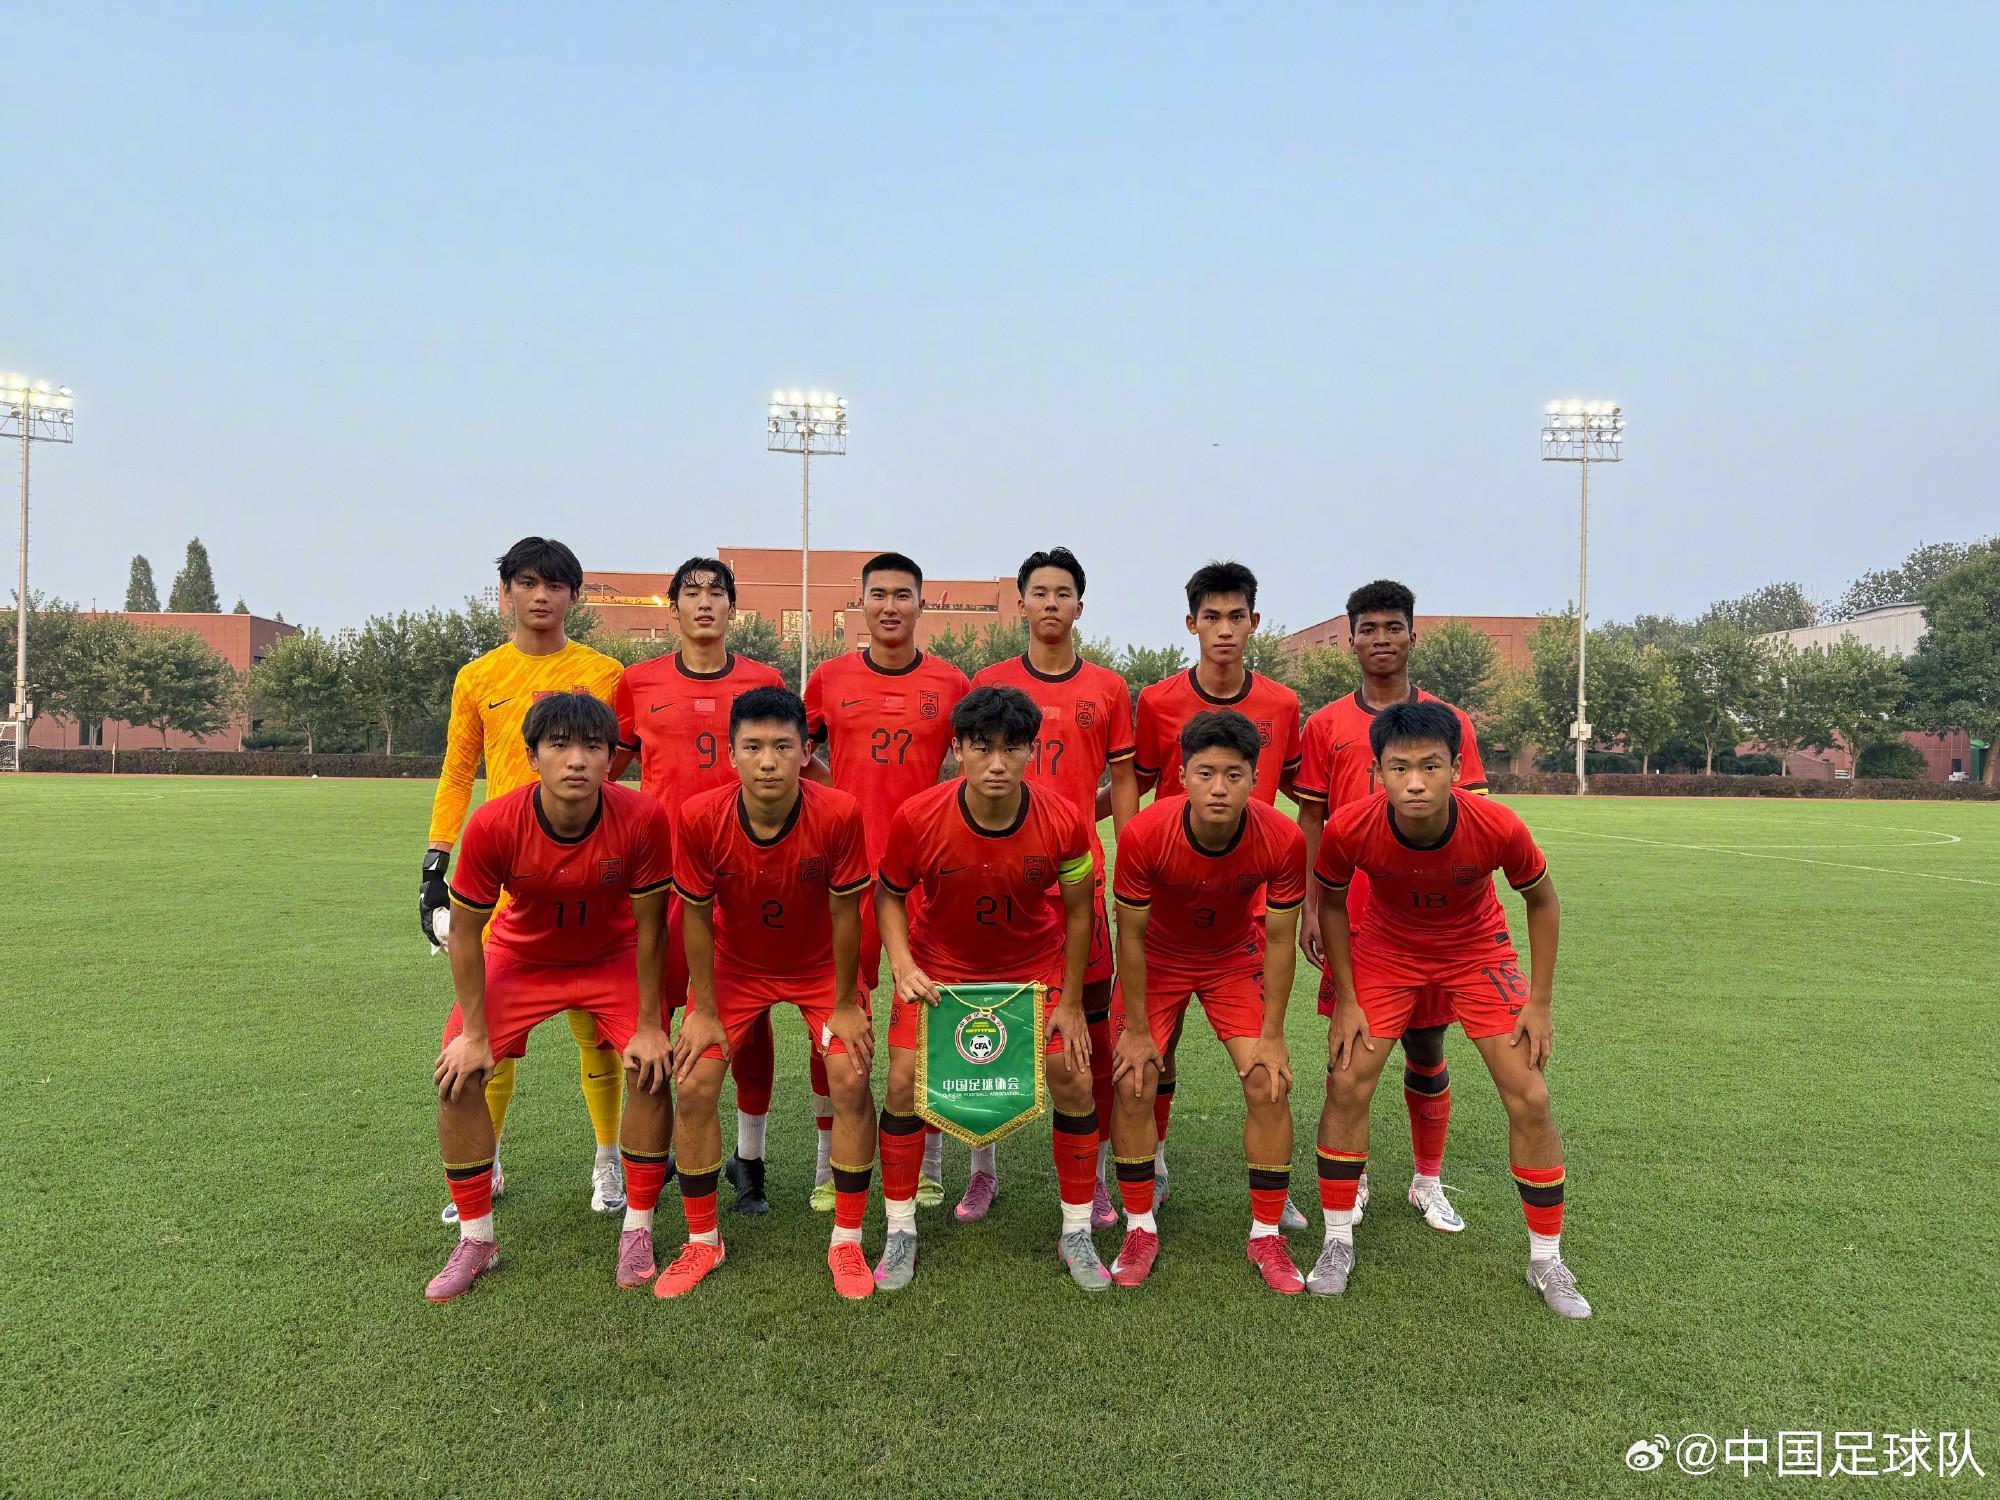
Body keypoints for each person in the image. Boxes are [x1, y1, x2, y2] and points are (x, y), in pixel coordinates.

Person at [1309, 701, 1590, 1319]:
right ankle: (1336, 1241)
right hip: (1388, 949)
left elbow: (1542, 901)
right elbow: (1329, 902)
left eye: (1431, 766)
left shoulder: (1496, 825)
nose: (1415, 782)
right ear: (1377, 772)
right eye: (1399, 768)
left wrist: (1540, 1002)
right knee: (1347, 1082)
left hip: (1474, 948)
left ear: (1457, 769)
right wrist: (1347, 998)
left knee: (1530, 1095)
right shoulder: (1349, 827)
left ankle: (1547, 1259)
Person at [425, 693, 676, 1302]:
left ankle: (638, 1227)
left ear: (611, 758)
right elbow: (466, 933)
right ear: (532, 756)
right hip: (523, 958)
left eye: (593, 747)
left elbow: (651, 928)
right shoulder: (494, 823)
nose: (577, 760)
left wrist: (650, 1024)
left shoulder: (643, 818)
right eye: (559, 745)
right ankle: (477, 1239)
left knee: (650, 1066)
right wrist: (475, 1036)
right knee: (457, 1073)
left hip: (611, 956)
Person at [419, 537, 629, 1226]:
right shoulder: (477, 676)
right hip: (504, 870)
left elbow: (619, 765)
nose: (542, 596)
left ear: (575, 596)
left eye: (556, 584)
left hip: (590, 870)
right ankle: (488, 1159)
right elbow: (458, 772)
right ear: (506, 591)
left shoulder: (604, 673)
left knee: (598, 1029)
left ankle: (608, 1159)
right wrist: (436, 858)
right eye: (528, 582)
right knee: (489, 1031)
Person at [873, 686, 1104, 1291]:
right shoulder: (918, 816)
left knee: (1074, 1076)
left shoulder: (1062, 818)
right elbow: (889, 893)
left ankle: (1077, 1230)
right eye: (982, 748)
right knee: (901, 1080)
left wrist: (1072, 1002)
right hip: (941, 967)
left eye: (1012, 748)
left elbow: (1080, 910)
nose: (997, 763)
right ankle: (899, 1232)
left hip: (1032, 967)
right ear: (957, 750)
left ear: (1032, 750)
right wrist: (902, 965)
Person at [656, 688, 879, 1299]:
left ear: (806, 753)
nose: (768, 761)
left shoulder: (839, 812)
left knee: (850, 1076)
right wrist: (703, 1009)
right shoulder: (700, 816)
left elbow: (847, 915)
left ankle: (848, 1241)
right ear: (730, 755)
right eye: (752, 747)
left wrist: (845, 1004)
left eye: (782, 746)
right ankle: (702, 1241)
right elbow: (696, 917)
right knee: (694, 1082)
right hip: (736, 966)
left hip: (818, 968)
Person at [1292, 579, 1489, 1233]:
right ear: (1350, 640)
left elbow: (1473, 817)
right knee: (1351, 1049)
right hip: (1353, 913)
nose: (1381, 639)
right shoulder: (1325, 725)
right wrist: (1312, 904)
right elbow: (1312, 820)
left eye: (1392, 627)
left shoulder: (1449, 722)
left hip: (1432, 917)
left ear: (1412, 634)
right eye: (1368, 629)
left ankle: (1427, 1180)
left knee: (1427, 1046)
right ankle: (1353, 1179)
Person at [610, 555, 792, 1217]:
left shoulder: (764, 680)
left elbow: (795, 766)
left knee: (750, 1018)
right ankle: (656, 1155)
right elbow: (608, 773)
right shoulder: (638, 682)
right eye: (692, 593)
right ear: (675, 608)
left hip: (746, 876)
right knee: (656, 1014)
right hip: (662, 877)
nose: (705, 602)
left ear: (733, 608)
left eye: (717, 592)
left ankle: (750, 1158)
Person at [1107, 711, 1308, 1292]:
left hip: (1231, 958)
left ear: (1254, 779)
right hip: (1159, 958)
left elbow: (1279, 939)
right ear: (1182, 776)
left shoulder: (1283, 837)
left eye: (1234, 775)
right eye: (1205, 774)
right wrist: (1137, 1030)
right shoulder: (1145, 833)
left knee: (1268, 1081)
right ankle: (1139, 1225)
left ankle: (1266, 1234)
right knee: (1135, 1078)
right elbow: (1131, 937)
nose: (1219, 788)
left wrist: (1273, 1034)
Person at [969, 547, 1138, 1228]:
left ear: (1079, 606)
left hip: (1077, 878)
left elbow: (1123, 780)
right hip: (998, 877)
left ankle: (1092, 1177)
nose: (1050, 603)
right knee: (983, 1017)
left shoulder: (1109, 688)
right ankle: (982, 1170)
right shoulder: (990, 682)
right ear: (1021, 603)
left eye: (1062, 593)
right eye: (1039, 592)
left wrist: (1124, 854)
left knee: (1089, 1025)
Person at [1131, 560, 1303, 1223]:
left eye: (1237, 617)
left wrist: (1316, 892)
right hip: (1171, 898)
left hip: (1247, 904)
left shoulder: (1282, 705)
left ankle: (1272, 1200)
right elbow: (1137, 783)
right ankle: (1154, 1162)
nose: (1225, 630)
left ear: (1254, 622)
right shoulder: (1157, 701)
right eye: (1212, 617)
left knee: (1266, 1063)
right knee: (1155, 1049)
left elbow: (1304, 801)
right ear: (1191, 624)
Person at [804, 552, 969, 1211]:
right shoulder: (829, 678)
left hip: (923, 878)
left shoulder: (951, 683)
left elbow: (973, 764)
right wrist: (838, 798)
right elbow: (796, 750)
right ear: (861, 603)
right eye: (880, 594)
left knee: (924, 1016)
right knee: (834, 1014)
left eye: (904, 595)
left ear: (921, 604)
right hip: (843, 874)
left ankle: (927, 1159)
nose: (891, 606)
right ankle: (828, 1162)